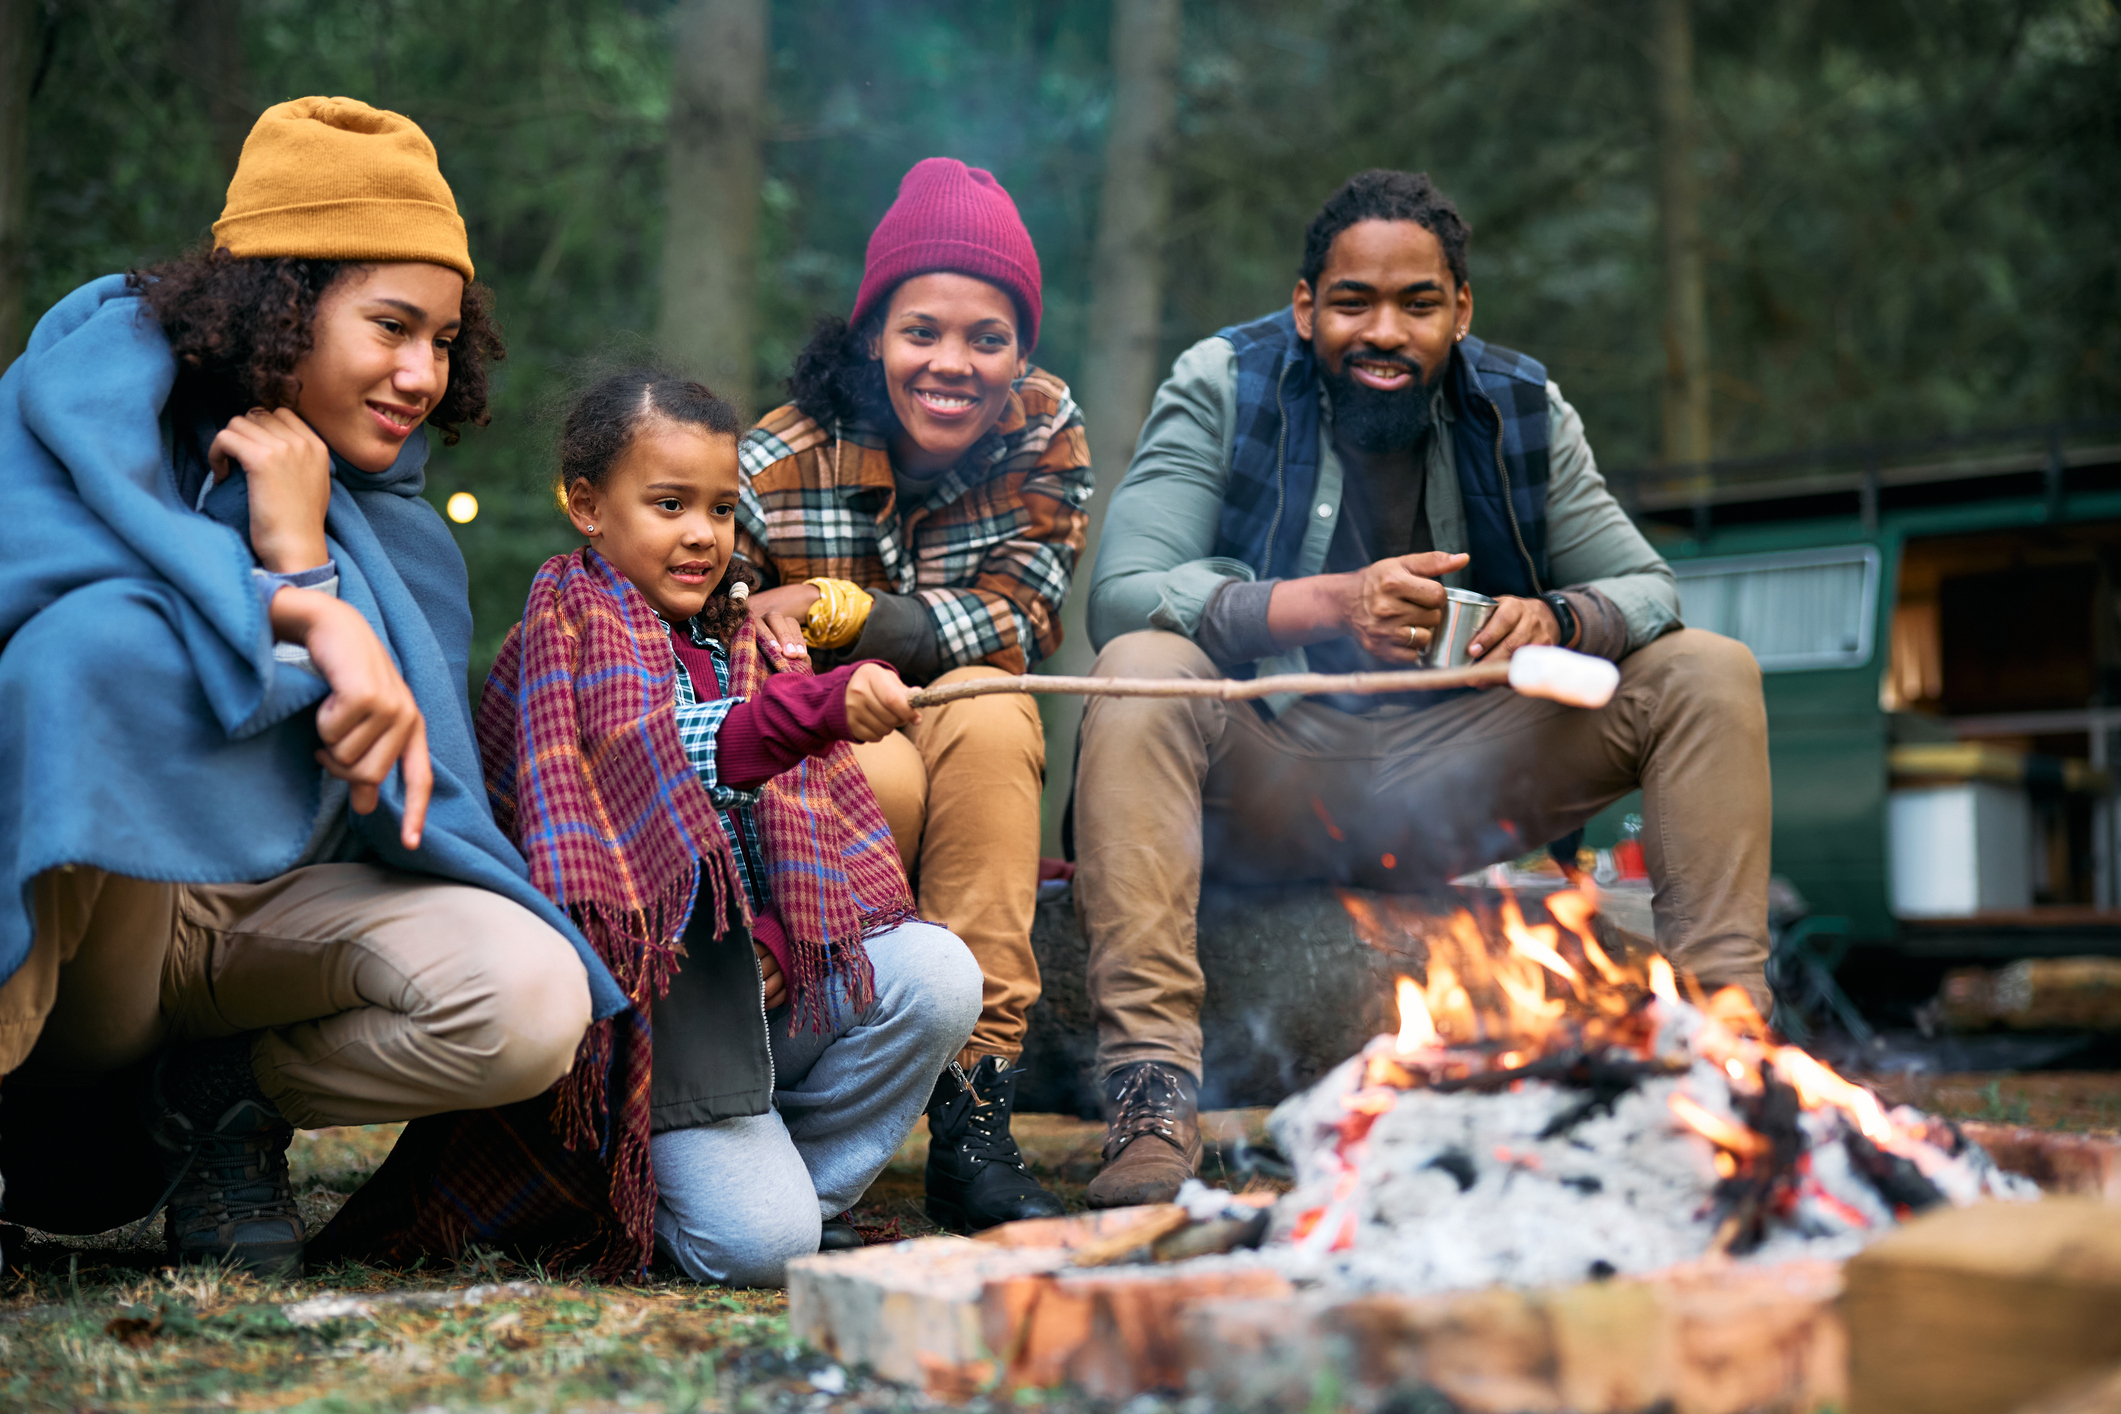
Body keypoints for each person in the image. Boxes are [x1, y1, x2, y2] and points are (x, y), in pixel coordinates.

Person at [0, 98, 618, 1276]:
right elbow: (48, 630)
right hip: (94, 917)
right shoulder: (87, 411)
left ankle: (222, 1099)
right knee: (85, 665)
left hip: (264, 930)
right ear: (279, 303)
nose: (421, 373)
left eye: (443, 338)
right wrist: (297, 608)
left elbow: (406, 807)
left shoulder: (398, 530)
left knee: (531, 1001)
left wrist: (305, 551)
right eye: (391, 326)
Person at [1074, 168, 1772, 1207]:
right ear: (1307, 306)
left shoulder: (1521, 404)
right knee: (1137, 670)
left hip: (1457, 773)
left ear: (1462, 310)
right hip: (1270, 763)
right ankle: (1151, 1089)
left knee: (1707, 668)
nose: (1384, 332)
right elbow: (1122, 595)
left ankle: (1733, 1062)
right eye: (1353, 302)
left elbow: (1645, 585)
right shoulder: (1225, 380)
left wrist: (1561, 617)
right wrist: (1323, 606)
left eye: (1418, 303)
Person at [316, 369, 982, 1287]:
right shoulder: (559, 636)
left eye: (720, 508)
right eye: (669, 504)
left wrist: (784, 934)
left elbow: (809, 836)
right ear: (588, 506)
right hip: (652, 1027)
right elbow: (654, 756)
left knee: (939, 974)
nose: (702, 535)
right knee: (759, 1251)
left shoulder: (746, 642)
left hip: (760, 998)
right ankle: (680, 1200)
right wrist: (816, 707)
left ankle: (781, 1187)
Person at [735, 158, 1090, 1232]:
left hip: (969, 746)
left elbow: (1020, 621)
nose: (955, 363)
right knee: (892, 747)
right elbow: (734, 658)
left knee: (988, 702)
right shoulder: (771, 462)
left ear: (1021, 349)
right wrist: (815, 655)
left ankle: (976, 1119)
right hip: (817, 790)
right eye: (921, 330)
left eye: (990, 338)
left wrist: (846, 612)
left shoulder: (1045, 428)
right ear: (872, 334)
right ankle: (802, 1069)